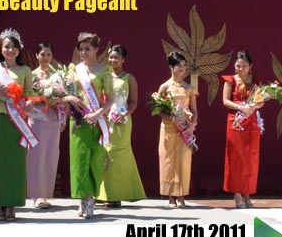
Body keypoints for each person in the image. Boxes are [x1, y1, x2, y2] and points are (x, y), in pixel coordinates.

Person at [0, 28, 34, 221]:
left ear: (19, 50)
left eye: (14, 47)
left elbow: (30, 96)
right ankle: (0, 204)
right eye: (6, 47)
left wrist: (28, 103)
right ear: (0, 49)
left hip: (18, 123)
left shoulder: (25, 71)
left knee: (15, 163)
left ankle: (12, 205)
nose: (10, 50)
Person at [64, 32, 114, 219]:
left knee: (93, 159)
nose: (83, 52)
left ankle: (91, 197)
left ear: (95, 49)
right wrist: (67, 97)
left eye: (87, 49)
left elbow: (110, 99)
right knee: (78, 160)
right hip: (78, 121)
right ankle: (82, 197)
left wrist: (97, 113)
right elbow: (66, 93)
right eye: (81, 49)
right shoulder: (73, 70)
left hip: (96, 120)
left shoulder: (104, 71)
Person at [96, 44, 146, 208]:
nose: (112, 60)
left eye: (116, 57)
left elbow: (133, 102)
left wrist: (125, 114)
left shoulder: (129, 78)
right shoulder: (104, 76)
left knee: (119, 155)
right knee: (104, 154)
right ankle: (104, 194)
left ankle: (119, 194)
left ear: (123, 59)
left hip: (122, 121)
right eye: (110, 57)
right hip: (105, 119)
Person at [221, 51, 263, 208]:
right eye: (238, 66)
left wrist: (254, 106)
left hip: (251, 121)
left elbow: (261, 101)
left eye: (244, 66)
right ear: (234, 65)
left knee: (251, 158)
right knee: (236, 157)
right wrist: (241, 107)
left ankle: (247, 192)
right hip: (235, 121)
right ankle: (237, 193)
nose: (241, 68)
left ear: (250, 66)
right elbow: (225, 101)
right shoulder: (230, 80)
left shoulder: (256, 81)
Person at [157, 51, 198, 208]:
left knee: (184, 160)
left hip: (185, 130)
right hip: (169, 128)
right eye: (178, 66)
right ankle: (170, 197)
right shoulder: (165, 86)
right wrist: (171, 118)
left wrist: (193, 123)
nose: (182, 69)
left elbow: (194, 109)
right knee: (168, 160)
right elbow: (158, 109)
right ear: (171, 67)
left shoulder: (189, 88)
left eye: (183, 66)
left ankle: (181, 195)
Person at [27, 43, 63, 209]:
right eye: (42, 54)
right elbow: (27, 97)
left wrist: (58, 100)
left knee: (50, 155)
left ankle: (46, 194)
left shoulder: (57, 75)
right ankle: (37, 195)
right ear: (36, 56)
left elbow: (64, 95)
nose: (46, 58)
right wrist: (42, 98)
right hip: (37, 115)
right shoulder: (32, 75)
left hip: (53, 116)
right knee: (36, 155)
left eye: (49, 54)